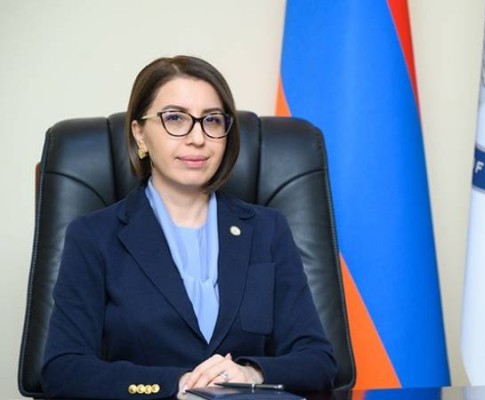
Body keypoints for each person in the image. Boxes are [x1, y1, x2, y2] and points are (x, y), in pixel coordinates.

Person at [41, 55, 337, 399]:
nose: (198, 138)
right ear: (140, 134)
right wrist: (179, 384)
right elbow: (63, 369)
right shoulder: (93, 237)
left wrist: (249, 373)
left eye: (212, 120)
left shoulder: (267, 229)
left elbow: (318, 361)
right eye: (175, 118)